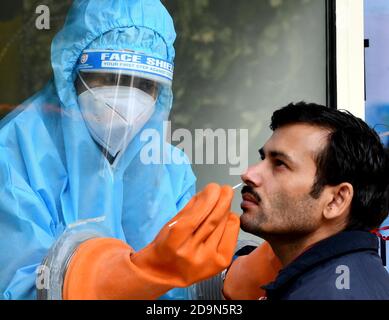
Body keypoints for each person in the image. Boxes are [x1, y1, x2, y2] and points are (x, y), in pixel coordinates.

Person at [0, 0, 239, 300]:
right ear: (70, 73)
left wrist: (231, 279)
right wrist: (114, 279)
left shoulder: (169, 168)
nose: (127, 100)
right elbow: (17, 285)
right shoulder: (13, 156)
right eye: (110, 78)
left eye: (145, 85)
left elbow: (183, 292)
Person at [223, 102, 389, 300]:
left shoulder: (324, 292)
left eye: (280, 164)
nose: (248, 174)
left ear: (336, 200)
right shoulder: (355, 276)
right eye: (263, 158)